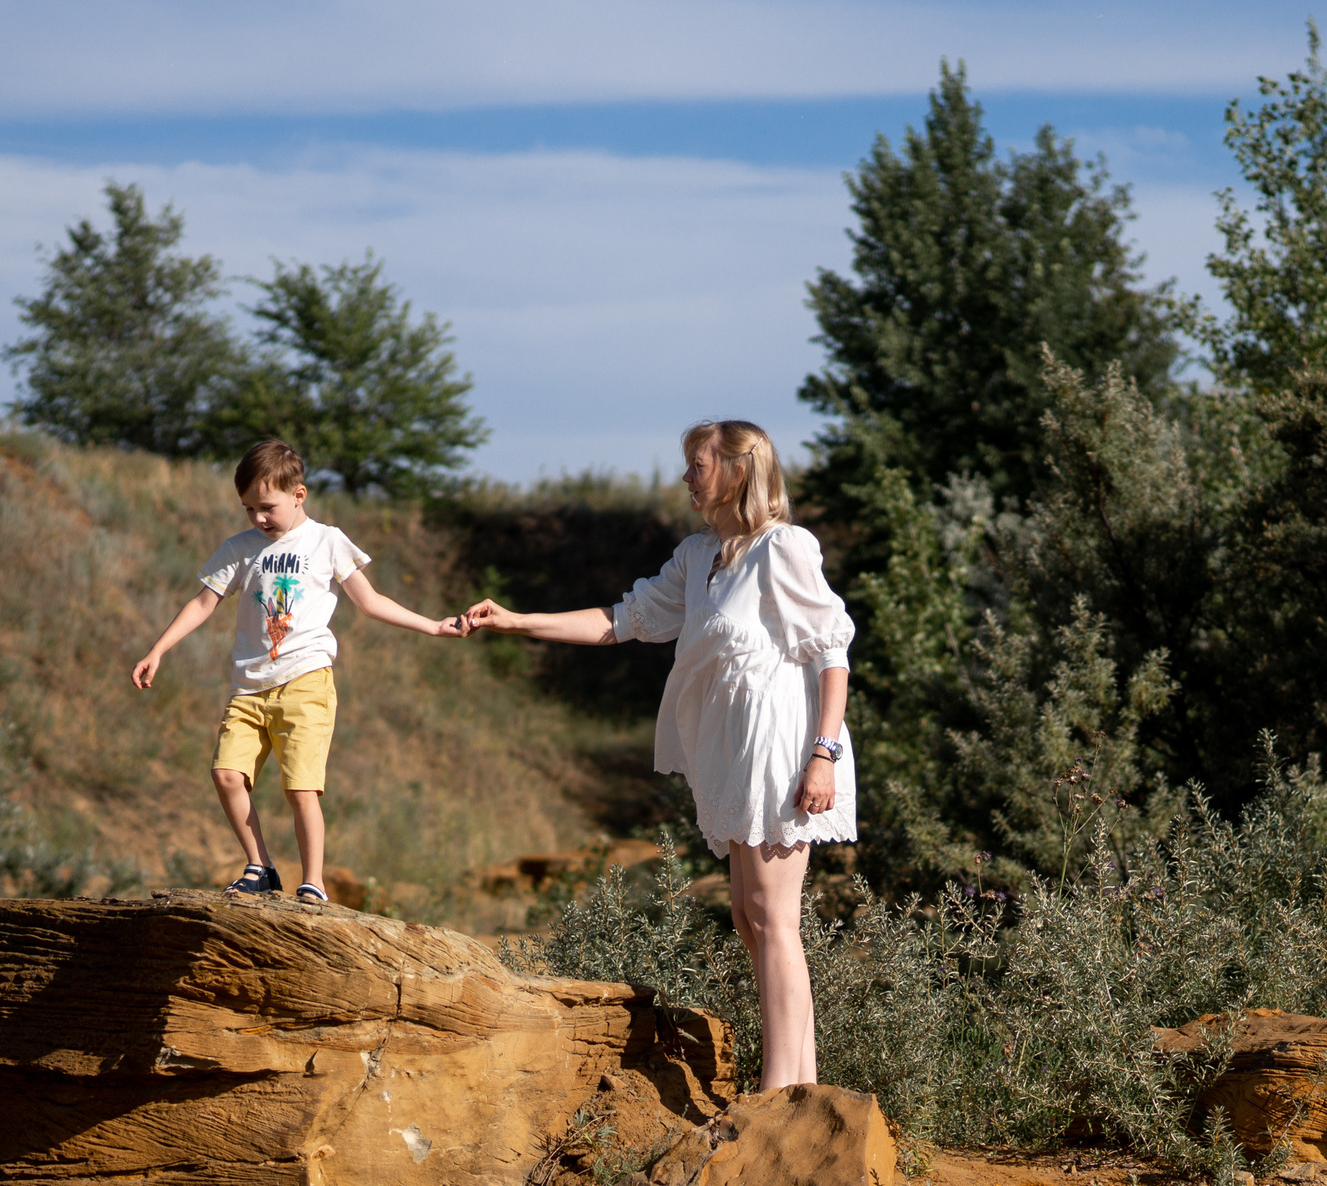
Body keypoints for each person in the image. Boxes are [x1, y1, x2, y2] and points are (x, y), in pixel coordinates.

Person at [460, 419, 854, 1090]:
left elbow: (831, 649)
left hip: (780, 744)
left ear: (735, 470)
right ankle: (797, 1082)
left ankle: (784, 1091)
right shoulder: (700, 557)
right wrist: (519, 620)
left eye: (696, 464)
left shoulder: (781, 547)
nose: (685, 477)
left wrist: (825, 752)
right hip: (730, 746)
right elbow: (623, 621)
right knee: (749, 919)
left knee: (772, 916)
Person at [132, 438, 463, 900]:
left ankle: (314, 882)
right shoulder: (239, 548)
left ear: (298, 495)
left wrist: (433, 626)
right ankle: (260, 866)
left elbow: (370, 602)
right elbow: (204, 602)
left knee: (302, 788)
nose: (258, 518)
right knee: (227, 774)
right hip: (248, 688)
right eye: (248, 509)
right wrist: (158, 649)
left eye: (266, 507)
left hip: (305, 682)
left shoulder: (327, 540)